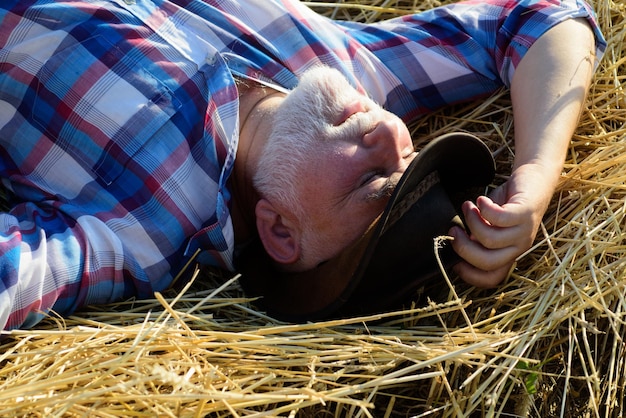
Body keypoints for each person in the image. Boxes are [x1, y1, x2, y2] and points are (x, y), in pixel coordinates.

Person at [0, 0, 606, 330]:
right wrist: (533, 178)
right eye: (411, 155)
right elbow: (535, 15)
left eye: (373, 182)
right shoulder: (351, 69)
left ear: (281, 231)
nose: (392, 131)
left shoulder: (144, 230)